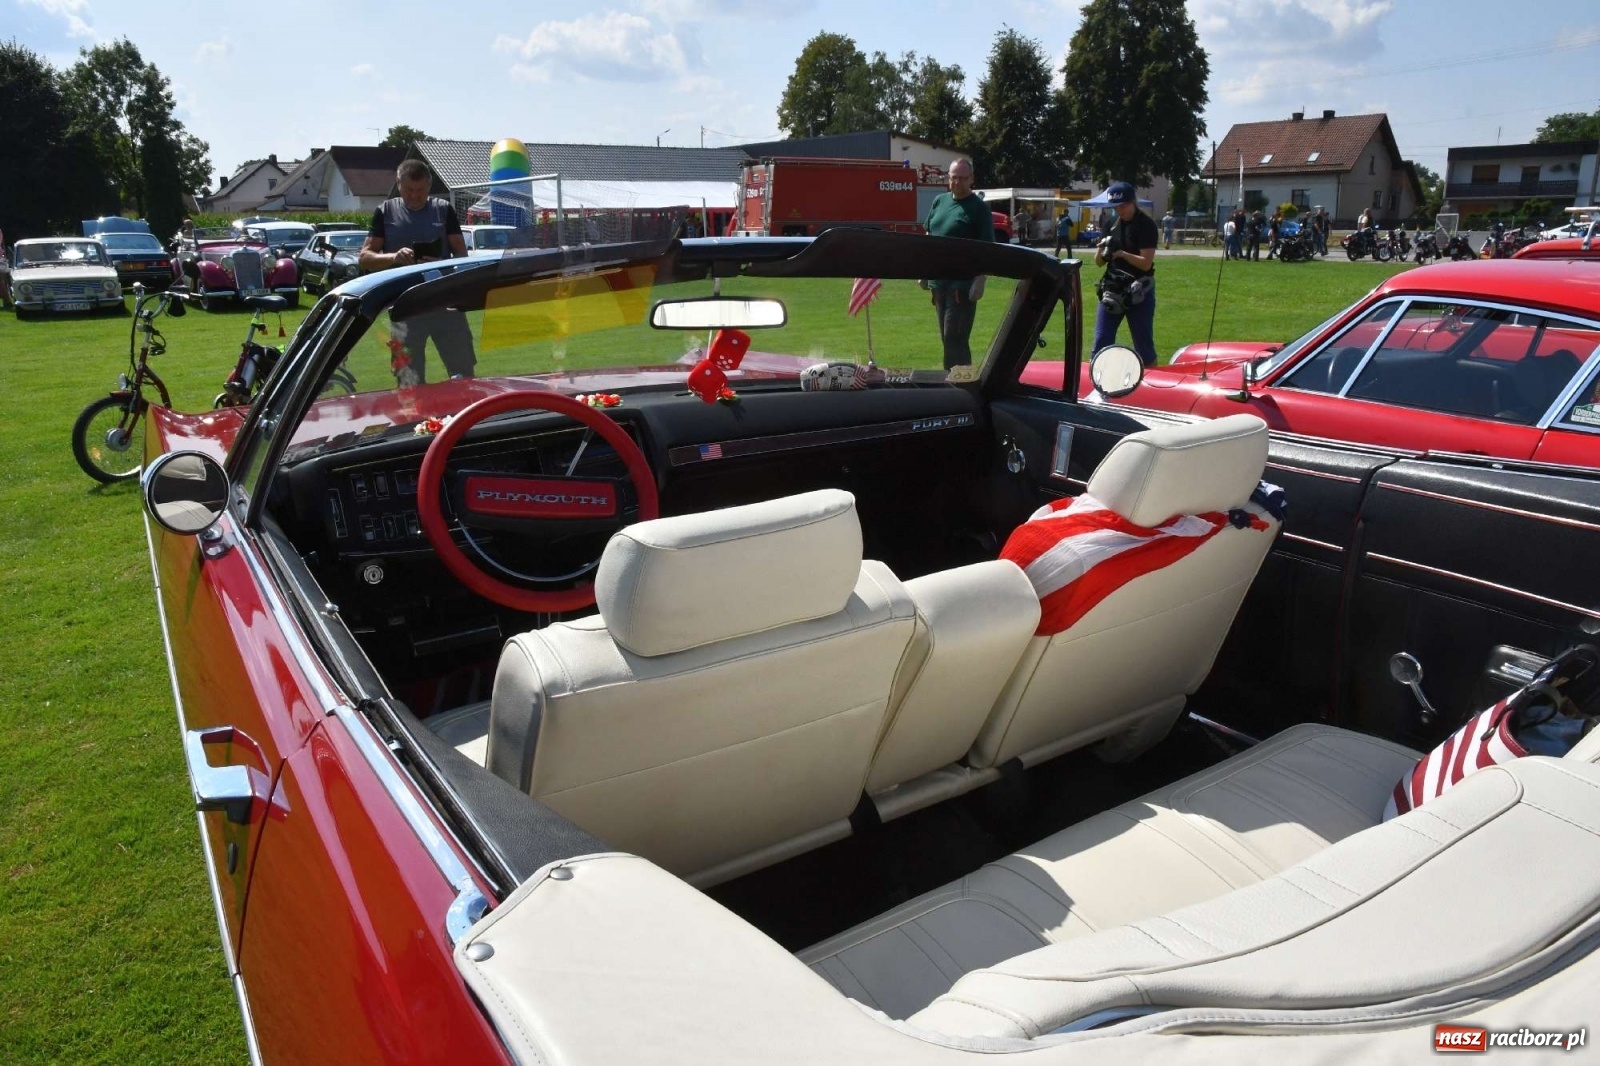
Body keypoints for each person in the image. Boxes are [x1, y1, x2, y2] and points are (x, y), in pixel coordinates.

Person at [361, 159, 476, 383]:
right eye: (409, 190)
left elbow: (461, 257)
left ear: (429, 186)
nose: (414, 195)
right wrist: (393, 257)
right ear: (398, 184)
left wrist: (440, 262)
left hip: (445, 305)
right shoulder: (385, 212)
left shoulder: (443, 210)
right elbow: (365, 258)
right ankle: (414, 420)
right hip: (404, 308)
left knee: (464, 375)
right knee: (408, 380)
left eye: (420, 190)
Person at [922, 157, 995, 369]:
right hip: (938, 283)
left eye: (963, 178)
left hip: (962, 284)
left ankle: (962, 385)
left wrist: (980, 281)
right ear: (948, 178)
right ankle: (953, 380)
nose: (957, 183)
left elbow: (988, 249)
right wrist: (923, 271)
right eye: (954, 178)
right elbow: (929, 234)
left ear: (971, 179)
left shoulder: (979, 208)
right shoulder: (940, 201)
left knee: (955, 337)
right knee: (947, 339)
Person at [1092, 181, 1160, 368]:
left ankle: (1153, 389)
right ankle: (1098, 383)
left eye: (1123, 206)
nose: (1119, 210)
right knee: (1101, 340)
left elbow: (1146, 264)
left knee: (1143, 344)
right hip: (1112, 289)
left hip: (1139, 291)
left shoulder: (1146, 225)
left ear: (1133, 202)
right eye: (1116, 206)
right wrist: (1102, 249)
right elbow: (1098, 262)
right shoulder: (1110, 224)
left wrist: (1121, 253)